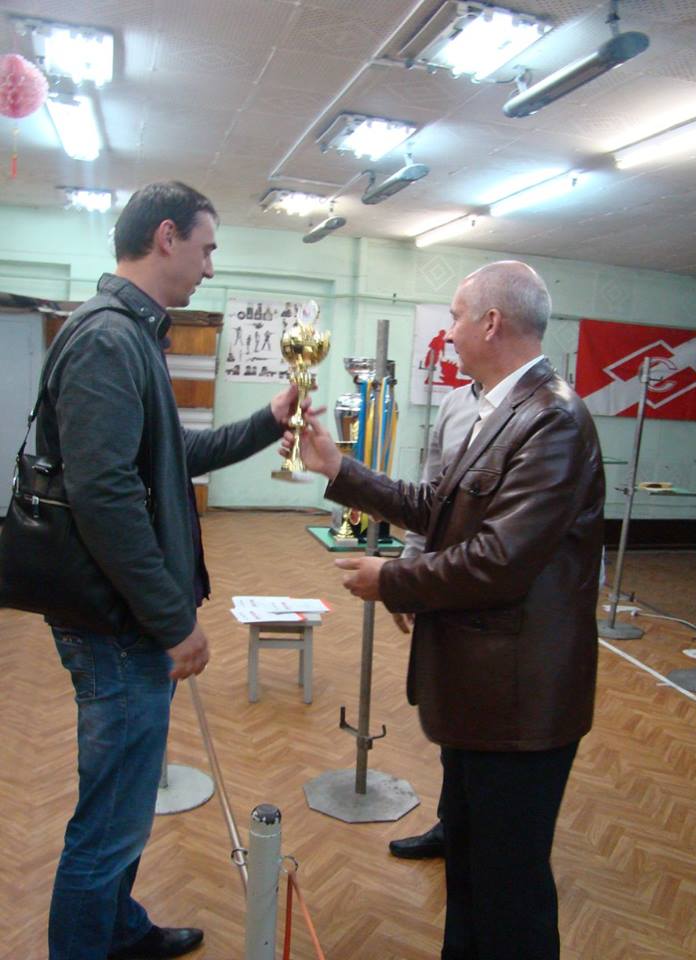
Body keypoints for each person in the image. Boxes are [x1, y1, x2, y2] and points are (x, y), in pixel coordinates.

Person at [284, 260, 605, 960]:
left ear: (491, 322)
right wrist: (339, 469)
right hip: (481, 690)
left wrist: (394, 580)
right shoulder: (501, 408)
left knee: (509, 890)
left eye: (456, 316)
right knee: (469, 865)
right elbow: (437, 507)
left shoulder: (552, 420)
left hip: (519, 702)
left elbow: (500, 560)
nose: (448, 332)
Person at [37, 181, 311, 960]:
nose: (211, 265)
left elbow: (169, 456)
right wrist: (172, 620)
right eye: (206, 247)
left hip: (126, 620)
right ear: (166, 237)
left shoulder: (132, 335)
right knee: (108, 825)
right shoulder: (108, 339)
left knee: (122, 813)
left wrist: (269, 423)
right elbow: (105, 496)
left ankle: (118, 932)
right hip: (118, 624)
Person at [388, 380, 481, 861]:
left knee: (486, 730)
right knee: (452, 717)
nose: (450, 342)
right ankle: (452, 826)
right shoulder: (455, 403)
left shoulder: (546, 413)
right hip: (445, 591)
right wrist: (409, 566)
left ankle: (487, 839)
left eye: (457, 339)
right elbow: (431, 499)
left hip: (495, 606)